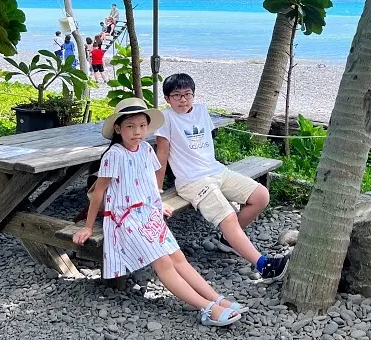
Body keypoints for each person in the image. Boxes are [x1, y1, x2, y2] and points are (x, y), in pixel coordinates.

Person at [73, 99, 243, 327]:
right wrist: (87, 226)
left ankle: (216, 298)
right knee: (164, 262)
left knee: (178, 257)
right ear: (118, 129)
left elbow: (150, 181)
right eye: (130, 126)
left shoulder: (145, 149)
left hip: (148, 213)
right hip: (126, 219)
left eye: (142, 126)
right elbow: (98, 192)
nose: (137, 132)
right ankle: (207, 308)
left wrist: (157, 203)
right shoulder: (114, 155)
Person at [155, 73, 290, 282]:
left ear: (193, 95)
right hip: (192, 180)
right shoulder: (166, 118)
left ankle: (228, 240)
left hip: (216, 171)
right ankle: (263, 265)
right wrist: (157, 188)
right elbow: (162, 154)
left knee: (261, 195)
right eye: (177, 95)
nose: (183, 100)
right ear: (167, 99)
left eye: (187, 94)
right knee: (226, 215)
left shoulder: (201, 111)